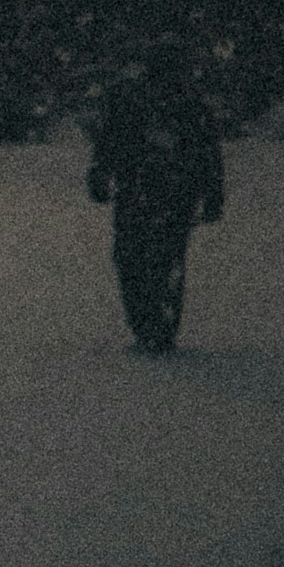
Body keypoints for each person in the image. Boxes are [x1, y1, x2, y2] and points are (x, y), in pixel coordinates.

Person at [85, 60, 227, 352]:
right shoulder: (187, 103)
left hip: (147, 192)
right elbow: (208, 153)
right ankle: (156, 326)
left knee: (139, 259)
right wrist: (212, 194)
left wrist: (100, 173)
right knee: (160, 260)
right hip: (169, 194)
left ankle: (151, 327)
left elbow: (110, 142)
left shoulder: (139, 100)